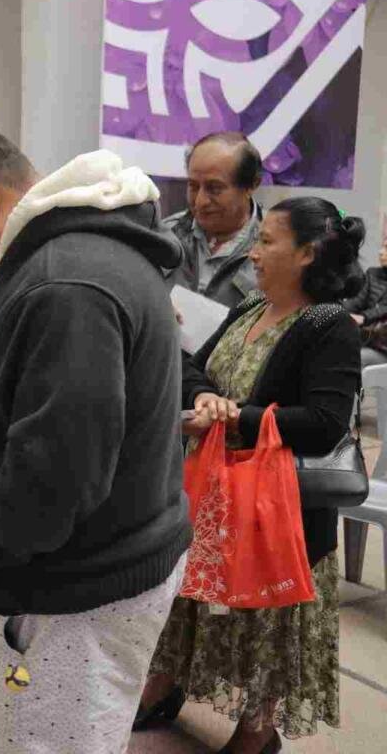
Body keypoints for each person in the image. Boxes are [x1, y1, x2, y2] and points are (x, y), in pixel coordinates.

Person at [0, 116, 191, 753]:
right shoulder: (53, 260)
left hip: (74, 590)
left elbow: (53, 487)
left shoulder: (64, 283)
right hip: (91, 568)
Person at [138, 198, 364, 754]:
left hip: (277, 508)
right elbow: (194, 364)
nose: (255, 253)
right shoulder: (248, 308)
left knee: (267, 621)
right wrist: (205, 395)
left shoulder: (326, 325)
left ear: (308, 253)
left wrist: (239, 415)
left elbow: (326, 422)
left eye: (267, 242)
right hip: (218, 492)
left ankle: (258, 732)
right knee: (192, 599)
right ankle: (164, 686)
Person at [163, 132, 265, 308]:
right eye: (193, 186)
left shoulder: (277, 246)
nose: (200, 201)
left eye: (215, 188)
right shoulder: (164, 235)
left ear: (251, 185)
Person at [343, 228, 387, 368]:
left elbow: (384, 308)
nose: (381, 252)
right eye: (382, 247)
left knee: (356, 358)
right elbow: (356, 301)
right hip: (366, 340)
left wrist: (364, 317)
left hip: (382, 347)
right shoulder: (373, 274)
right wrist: (339, 311)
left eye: (386, 248)